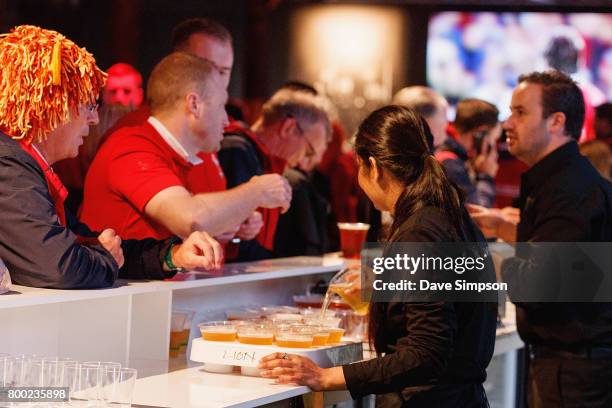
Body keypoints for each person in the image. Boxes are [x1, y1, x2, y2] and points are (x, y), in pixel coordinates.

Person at [259, 106, 497, 407]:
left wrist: (325, 376)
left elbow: (426, 353)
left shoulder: (420, 231)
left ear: (372, 167)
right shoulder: (449, 215)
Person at [0, 25, 222, 289]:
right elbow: (59, 266)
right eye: (88, 105)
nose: (94, 119)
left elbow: (83, 242)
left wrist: (172, 257)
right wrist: (105, 257)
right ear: (50, 105)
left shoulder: (21, 163)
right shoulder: (9, 163)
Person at [469, 70, 612, 407]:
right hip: (572, 367)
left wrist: (482, 260)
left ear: (556, 122)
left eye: (520, 112)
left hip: (575, 373)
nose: (507, 123)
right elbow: (572, 262)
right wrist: (505, 229)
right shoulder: (566, 181)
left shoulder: (568, 190)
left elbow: (540, 284)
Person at [80, 52, 290, 242]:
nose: (227, 121)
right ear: (194, 105)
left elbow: (197, 221)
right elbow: (192, 219)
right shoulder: (130, 148)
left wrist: (229, 220)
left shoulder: (181, 155)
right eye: (220, 107)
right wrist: (257, 191)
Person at [218, 88, 331, 260]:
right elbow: (240, 248)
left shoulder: (263, 160)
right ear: (288, 127)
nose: (302, 162)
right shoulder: (237, 150)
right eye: (308, 151)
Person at [436, 98, 500, 207]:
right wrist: (485, 175)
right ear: (481, 133)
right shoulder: (451, 165)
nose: (494, 150)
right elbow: (478, 214)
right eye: (493, 140)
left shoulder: (451, 157)